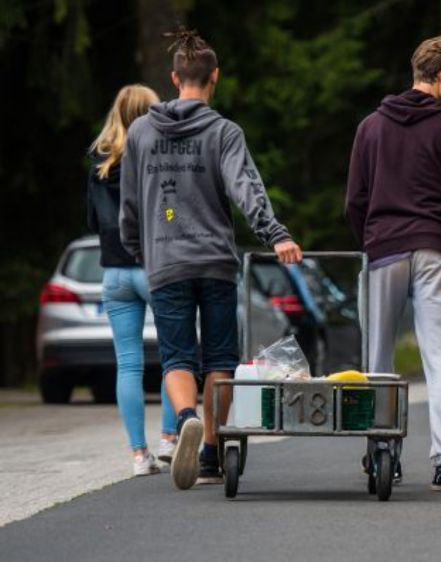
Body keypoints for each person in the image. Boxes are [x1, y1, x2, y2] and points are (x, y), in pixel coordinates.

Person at [120, 29, 303, 490]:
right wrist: (276, 234)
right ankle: (210, 454)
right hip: (216, 261)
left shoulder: (141, 132)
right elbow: (247, 190)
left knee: (177, 355)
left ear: (174, 77)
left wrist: (138, 248)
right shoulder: (224, 132)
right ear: (214, 77)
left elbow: (129, 202)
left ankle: (184, 418)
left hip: (165, 260)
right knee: (219, 356)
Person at [346, 35, 441, 492]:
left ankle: (380, 451)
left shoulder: (370, 127)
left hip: (383, 252)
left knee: (377, 359)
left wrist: (371, 243)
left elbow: (355, 201)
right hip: (434, 251)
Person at [88, 84, 177, 476]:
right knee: (177, 354)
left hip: (114, 273)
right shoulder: (154, 155)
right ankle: (170, 441)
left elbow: (92, 220)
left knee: (128, 364)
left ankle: (139, 457)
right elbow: (169, 212)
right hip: (153, 265)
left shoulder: (98, 161)